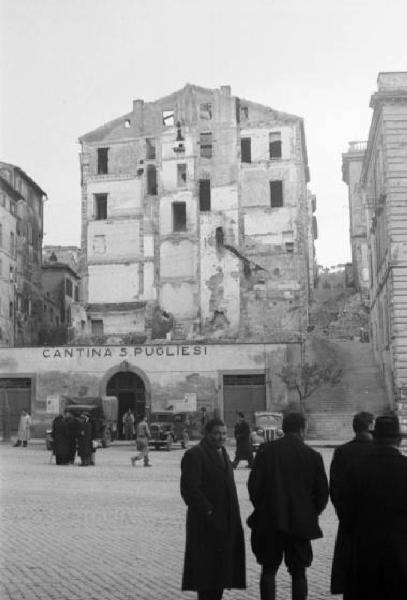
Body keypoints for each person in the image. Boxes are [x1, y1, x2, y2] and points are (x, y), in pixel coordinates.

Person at [247, 411, 329, 600]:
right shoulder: (312, 456)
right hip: (300, 522)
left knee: (268, 570)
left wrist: (264, 507)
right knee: (299, 572)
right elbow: (322, 493)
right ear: (302, 428)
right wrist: (309, 513)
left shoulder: (265, 451)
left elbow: (254, 486)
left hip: (270, 520)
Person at [337, 414, 407, 600]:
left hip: (363, 553)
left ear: (374, 439)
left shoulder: (355, 469)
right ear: (399, 441)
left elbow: (345, 512)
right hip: (401, 554)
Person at [180, 418, 246, 600]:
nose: (221, 437)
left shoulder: (223, 453)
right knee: (207, 579)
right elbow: (190, 490)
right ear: (207, 434)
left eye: (224, 433)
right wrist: (209, 511)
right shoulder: (195, 455)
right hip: (205, 526)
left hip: (225, 523)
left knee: (219, 576)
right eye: (217, 433)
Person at [329, 411, 374, 598]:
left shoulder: (342, 452)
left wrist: (343, 513)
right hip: (375, 522)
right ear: (371, 426)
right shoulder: (377, 451)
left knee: (349, 574)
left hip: (349, 520)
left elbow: (335, 488)